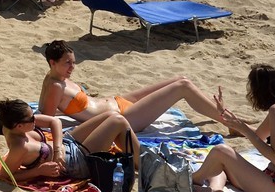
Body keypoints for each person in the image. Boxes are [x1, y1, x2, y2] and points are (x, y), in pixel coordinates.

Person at [38, 40, 229, 133]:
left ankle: (224, 116)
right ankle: (227, 120)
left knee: (181, 78)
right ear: (52, 62)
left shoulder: (53, 77)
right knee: (183, 86)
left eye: (73, 62)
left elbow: (46, 107)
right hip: (125, 118)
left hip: (119, 102)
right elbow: (47, 117)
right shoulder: (56, 85)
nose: (73, 67)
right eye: (67, 63)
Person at [191, 64, 275, 192]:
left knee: (221, 151)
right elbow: (258, 135)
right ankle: (215, 189)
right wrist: (224, 114)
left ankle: (192, 180)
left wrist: (244, 129)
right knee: (222, 163)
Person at [0, 99, 137, 184]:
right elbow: (5, 175)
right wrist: (38, 171)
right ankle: (142, 164)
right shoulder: (19, 147)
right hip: (76, 162)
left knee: (111, 115)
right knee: (117, 121)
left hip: (67, 144)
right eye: (31, 118)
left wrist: (57, 149)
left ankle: (138, 160)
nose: (35, 119)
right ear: (19, 126)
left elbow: (54, 121)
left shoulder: (10, 126)